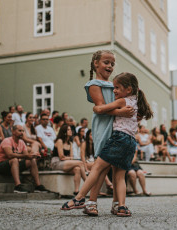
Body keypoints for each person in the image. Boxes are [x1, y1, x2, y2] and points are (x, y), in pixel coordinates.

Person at [61, 72, 152, 217]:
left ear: (128, 89)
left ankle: (79, 198)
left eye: (117, 87)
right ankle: (121, 206)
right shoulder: (136, 102)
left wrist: (100, 109)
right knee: (119, 176)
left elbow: (101, 109)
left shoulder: (123, 101)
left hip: (119, 139)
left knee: (96, 168)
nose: (114, 90)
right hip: (131, 142)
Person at [60, 50, 133, 216]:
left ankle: (116, 204)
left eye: (112, 64)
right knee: (102, 165)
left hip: (118, 126)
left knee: (116, 166)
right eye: (106, 62)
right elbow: (101, 109)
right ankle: (91, 202)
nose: (110, 66)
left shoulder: (115, 84)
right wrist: (121, 112)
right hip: (103, 125)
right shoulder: (94, 84)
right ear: (96, 64)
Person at [0, 125, 50, 193]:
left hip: (13, 166)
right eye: (20, 131)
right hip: (0, 167)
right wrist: (27, 156)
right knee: (14, 159)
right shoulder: (7, 140)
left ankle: (38, 186)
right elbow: (10, 155)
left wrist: (33, 156)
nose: (22, 133)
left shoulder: (22, 142)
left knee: (32, 161)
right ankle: (17, 186)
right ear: (13, 132)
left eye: (23, 131)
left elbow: (26, 156)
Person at [52, 124, 87, 195]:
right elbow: (61, 157)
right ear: (64, 131)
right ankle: (88, 183)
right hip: (56, 162)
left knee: (77, 169)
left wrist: (69, 158)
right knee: (80, 163)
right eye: (68, 129)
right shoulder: (59, 141)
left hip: (65, 162)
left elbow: (71, 157)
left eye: (71, 129)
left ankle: (76, 191)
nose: (71, 131)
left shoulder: (70, 143)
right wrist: (70, 158)